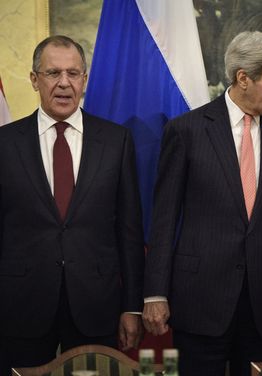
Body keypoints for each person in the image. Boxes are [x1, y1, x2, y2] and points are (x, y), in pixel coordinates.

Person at [142, 31, 262, 376]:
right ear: (243, 78)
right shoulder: (186, 130)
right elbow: (164, 218)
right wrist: (155, 293)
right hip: (200, 299)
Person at [0, 35, 145, 370]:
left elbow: (129, 230)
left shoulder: (116, 141)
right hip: (21, 304)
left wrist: (131, 306)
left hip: (96, 303)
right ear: (34, 79)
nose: (64, 83)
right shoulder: (6, 144)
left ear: (84, 80)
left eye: (73, 73)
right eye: (53, 73)